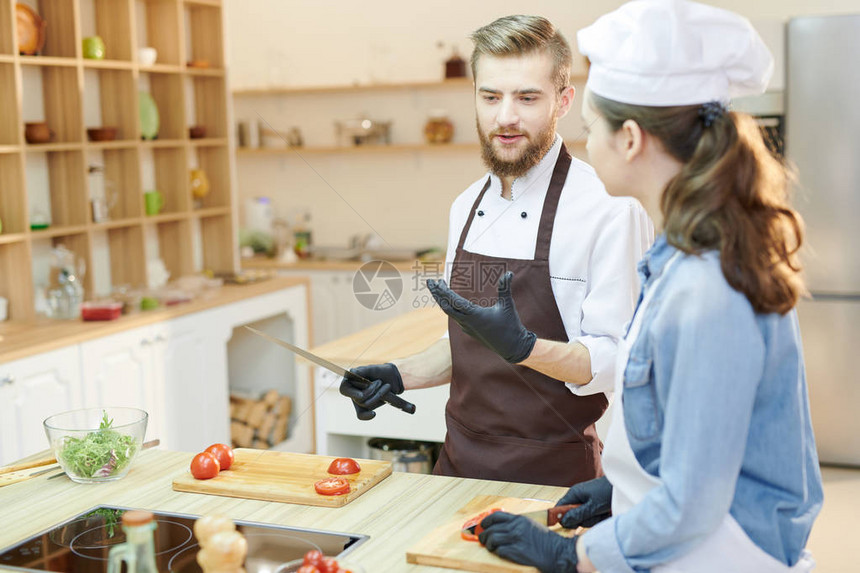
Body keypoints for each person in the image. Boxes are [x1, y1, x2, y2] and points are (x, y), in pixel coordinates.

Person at [475, 1, 824, 572]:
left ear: (632, 138)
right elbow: (698, 439)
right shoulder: (679, 262)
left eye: (592, 128)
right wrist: (622, 489)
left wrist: (571, 558)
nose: (586, 145)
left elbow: (691, 506)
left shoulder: (707, 288)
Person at [339, 15, 653, 487]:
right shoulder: (465, 207)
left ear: (563, 101)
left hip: (554, 481)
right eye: (490, 96)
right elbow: (472, 344)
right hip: (456, 470)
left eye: (527, 97)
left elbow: (615, 358)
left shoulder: (608, 209)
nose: (506, 116)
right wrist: (399, 374)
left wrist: (526, 349)